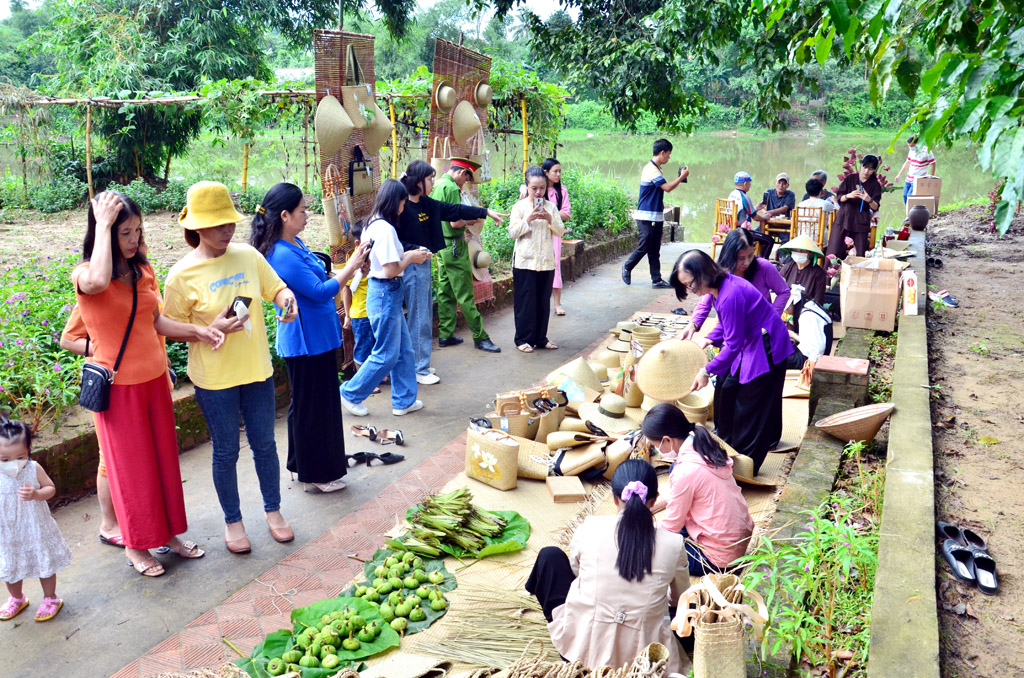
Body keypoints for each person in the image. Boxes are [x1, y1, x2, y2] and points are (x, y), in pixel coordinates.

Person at [76, 191, 220, 575]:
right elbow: (96, 281)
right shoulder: (88, 274)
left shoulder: (142, 271)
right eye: (125, 232)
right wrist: (104, 223)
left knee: (162, 465)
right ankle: (136, 546)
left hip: (154, 382)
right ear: (105, 233)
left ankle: (169, 535)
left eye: (138, 231)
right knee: (131, 472)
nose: (134, 240)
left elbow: (156, 322)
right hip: (120, 390)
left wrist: (200, 332)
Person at [163, 181, 298, 555]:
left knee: (265, 445)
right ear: (197, 227)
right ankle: (233, 520)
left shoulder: (248, 256)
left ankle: (274, 512)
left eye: (230, 221)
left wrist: (287, 301)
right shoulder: (181, 275)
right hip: (215, 379)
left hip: (256, 370)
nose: (228, 229)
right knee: (225, 451)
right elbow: (168, 326)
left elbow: (277, 289)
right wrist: (206, 331)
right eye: (219, 223)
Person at [250, 183, 370, 494]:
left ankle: (298, 463)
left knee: (307, 405)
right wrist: (353, 265)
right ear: (286, 215)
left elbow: (322, 278)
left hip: (317, 337)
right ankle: (316, 472)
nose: (308, 214)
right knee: (313, 407)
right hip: (306, 343)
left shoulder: (296, 244)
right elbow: (320, 292)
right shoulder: (280, 254)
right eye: (303, 210)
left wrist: (345, 271)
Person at [525, 460, 689, 674]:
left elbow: (577, 574)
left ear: (614, 498)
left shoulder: (590, 527)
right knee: (686, 613)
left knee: (550, 556)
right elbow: (681, 599)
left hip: (581, 651)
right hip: (642, 664)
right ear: (655, 499)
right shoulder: (673, 543)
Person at [672, 250, 793, 474]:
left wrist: (706, 371)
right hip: (751, 342)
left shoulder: (730, 294)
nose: (691, 290)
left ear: (703, 275)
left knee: (752, 409)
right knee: (728, 391)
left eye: (690, 285)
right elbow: (729, 324)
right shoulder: (720, 287)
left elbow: (733, 343)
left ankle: (745, 467)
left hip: (767, 347)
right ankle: (726, 448)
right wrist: (706, 338)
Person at [398, 160, 506, 382]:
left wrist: (485, 211)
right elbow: (394, 238)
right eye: (429, 179)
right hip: (412, 267)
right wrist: (412, 250)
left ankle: (421, 363)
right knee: (420, 317)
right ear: (418, 181)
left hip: (425, 261)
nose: (433, 183)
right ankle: (419, 368)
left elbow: (453, 210)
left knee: (426, 313)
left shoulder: (425, 203)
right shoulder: (402, 206)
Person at [340, 179, 432, 418]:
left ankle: (404, 400)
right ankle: (350, 393)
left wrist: (411, 254)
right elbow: (391, 269)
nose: (403, 207)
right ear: (396, 201)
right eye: (403, 202)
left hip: (383, 291)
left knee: (404, 350)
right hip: (385, 291)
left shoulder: (374, 224)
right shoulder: (386, 229)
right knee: (387, 353)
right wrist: (412, 256)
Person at [644, 404, 754, 575]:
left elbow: (669, 528)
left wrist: (640, 528)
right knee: (675, 469)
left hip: (717, 559)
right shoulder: (702, 445)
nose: (657, 450)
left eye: (655, 444)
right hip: (736, 542)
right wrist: (648, 509)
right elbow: (679, 494)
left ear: (667, 440)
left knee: (652, 548)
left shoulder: (685, 471)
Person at [58, 305, 122, 548]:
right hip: (109, 383)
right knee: (108, 455)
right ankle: (108, 525)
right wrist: (110, 351)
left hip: (143, 378)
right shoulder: (93, 289)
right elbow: (69, 339)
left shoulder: (141, 277)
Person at [0, 417, 72, 622]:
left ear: (28, 450)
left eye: (20, 457)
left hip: (35, 528)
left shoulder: (33, 469)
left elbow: (50, 488)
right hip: (7, 531)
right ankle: (16, 598)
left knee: (44, 562)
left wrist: (36, 494)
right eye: (5, 459)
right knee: (10, 566)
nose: (13, 464)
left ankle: (50, 598)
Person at [430, 158, 502, 353]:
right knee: (465, 293)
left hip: (441, 245)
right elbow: (455, 222)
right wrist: (472, 219)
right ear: (462, 173)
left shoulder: (439, 185)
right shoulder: (452, 188)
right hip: (454, 244)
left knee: (446, 291)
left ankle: (445, 334)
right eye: (466, 180)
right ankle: (480, 337)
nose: (464, 185)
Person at [682, 228, 790, 340]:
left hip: (760, 333)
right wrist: (693, 324)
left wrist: (771, 317)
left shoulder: (763, 266)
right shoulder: (719, 271)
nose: (747, 262)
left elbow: (784, 291)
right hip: (731, 330)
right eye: (741, 258)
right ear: (730, 255)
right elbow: (705, 302)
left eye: (750, 255)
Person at [509, 166, 566, 353]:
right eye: (534, 188)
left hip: (546, 262)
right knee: (525, 302)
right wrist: (528, 220)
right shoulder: (519, 207)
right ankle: (522, 339)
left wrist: (550, 219)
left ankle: (541, 338)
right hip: (525, 262)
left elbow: (560, 231)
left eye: (542, 188)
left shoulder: (551, 207)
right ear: (527, 187)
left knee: (543, 302)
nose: (539, 192)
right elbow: (512, 233)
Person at [622, 138, 687, 288]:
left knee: (654, 249)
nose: (669, 158)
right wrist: (681, 177)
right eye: (669, 154)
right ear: (662, 152)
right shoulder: (651, 170)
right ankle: (627, 266)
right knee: (645, 245)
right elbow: (668, 188)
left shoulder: (657, 169)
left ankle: (656, 280)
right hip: (646, 215)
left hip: (655, 214)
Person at [827, 155, 881, 259]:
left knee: (859, 253)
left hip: (861, 221)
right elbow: (839, 198)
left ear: (874, 170)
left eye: (870, 169)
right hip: (844, 218)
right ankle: (831, 274)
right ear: (861, 165)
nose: (866, 171)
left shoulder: (875, 185)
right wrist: (849, 195)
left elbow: (875, 206)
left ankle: (856, 273)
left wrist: (868, 199)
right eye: (865, 167)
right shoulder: (850, 178)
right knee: (834, 251)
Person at [542, 159, 572, 315]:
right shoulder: (539, 190)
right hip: (540, 234)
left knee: (555, 266)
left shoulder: (562, 190)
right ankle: (541, 303)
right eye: (555, 171)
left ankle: (557, 304)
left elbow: (566, 213)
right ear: (546, 172)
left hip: (554, 234)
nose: (558, 174)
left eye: (560, 171)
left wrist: (549, 215)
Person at [342, 222, 373, 369]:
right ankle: (362, 381)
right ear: (358, 243)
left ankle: (375, 377)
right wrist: (347, 315)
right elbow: (346, 290)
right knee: (363, 348)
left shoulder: (370, 256)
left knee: (373, 346)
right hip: (361, 313)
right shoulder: (354, 261)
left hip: (372, 310)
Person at [783, 284, 833, 370]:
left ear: (792, 304)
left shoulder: (807, 316)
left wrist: (792, 334)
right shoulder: (809, 305)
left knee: (776, 359)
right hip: (811, 353)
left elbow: (814, 347)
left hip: (811, 358)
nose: (786, 312)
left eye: (786, 309)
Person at [727, 171, 775, 259]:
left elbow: (743, 212)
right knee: (769, 240)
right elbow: (755, 217)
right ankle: (762, 264)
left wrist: (756, 208)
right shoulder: (745, 198)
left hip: (731, 229)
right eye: (749, 183)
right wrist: (765, 217)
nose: (750, 185)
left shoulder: (732, 194)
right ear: (745, 183)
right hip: (741, 232)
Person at [778, 234, 828, 306]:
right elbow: (779, 290)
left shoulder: (819, 273)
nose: (798, 253)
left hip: (808, 311)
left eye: (801, 251)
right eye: (795, 250)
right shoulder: (787, 268)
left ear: (810, 253)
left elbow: (818, 300)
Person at [893, 135, 936, 206]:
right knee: (905, 196)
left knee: (910, 197)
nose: (910, 147)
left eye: (912, 146)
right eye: (909, 146)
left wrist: (932, 176)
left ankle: (911, 214)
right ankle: (909, 213)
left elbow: (933, 164)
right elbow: (907, 163)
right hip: (909, 179)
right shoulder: (911, 151)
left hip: (917, 180)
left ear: (918, 144)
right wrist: (899, 175)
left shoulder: (927, 151)